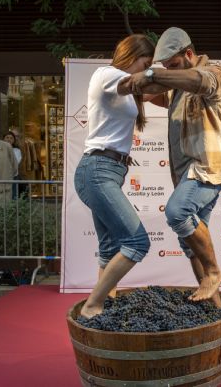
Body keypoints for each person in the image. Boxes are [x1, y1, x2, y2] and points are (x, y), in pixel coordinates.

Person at [124, 27, 221, 307]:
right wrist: (128, 82)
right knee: (189, 245)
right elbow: (151, 91)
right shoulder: (176, 88)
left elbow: (198, 80)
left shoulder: (215, 74)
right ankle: (216, 311)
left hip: (208, 167)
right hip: (187, 174)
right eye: (165, 67)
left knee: (177, 212)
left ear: (189, 54)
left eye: (172, 65)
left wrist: (152, 74)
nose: (168, 71)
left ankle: (213, 272)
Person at [74, 34, 155, 318]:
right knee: (137, 242)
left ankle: (102, 309)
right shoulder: (106, 74)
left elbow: (159, 94)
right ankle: (93, 304)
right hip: (97, 171)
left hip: (110, 170)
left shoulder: (129, 88)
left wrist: (187, 81)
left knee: (109, 248)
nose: (146, 69)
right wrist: (157, 73)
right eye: (145, 63)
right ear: (132, 55)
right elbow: (138, 82)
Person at [3, 131, 23, 198]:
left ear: (14, 140)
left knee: (14, 195)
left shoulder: (17, 151)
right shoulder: (0, 150)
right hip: (2, 176)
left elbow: (15, 162)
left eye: (11, 138)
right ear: (3, 139)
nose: (9, 139)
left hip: (13, 176)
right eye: (7, 137)